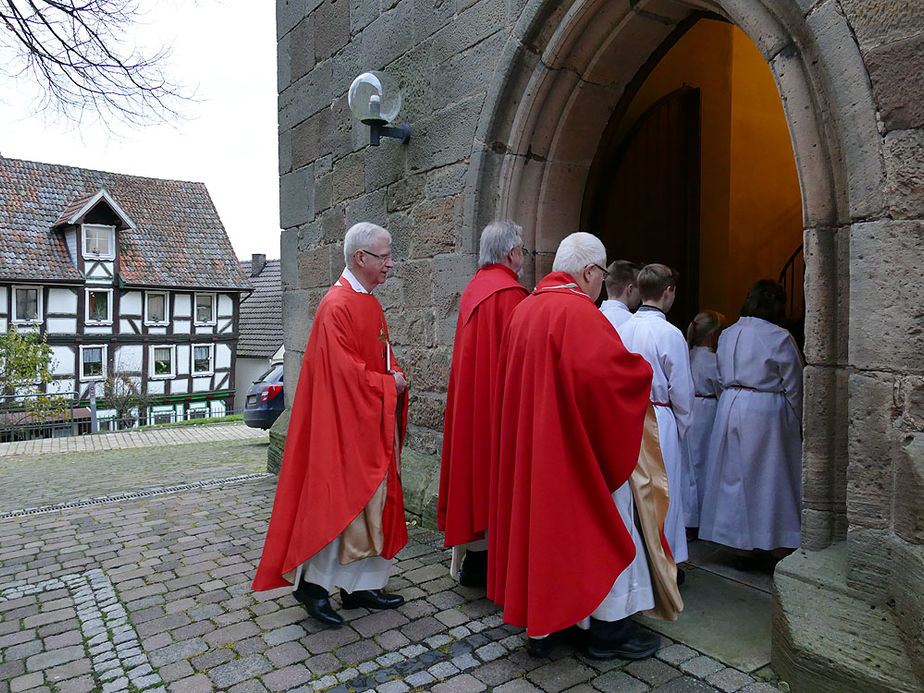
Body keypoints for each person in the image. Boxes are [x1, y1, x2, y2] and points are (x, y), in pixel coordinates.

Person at [488, 232, 661, 660]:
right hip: (572, 453)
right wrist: (641, 373)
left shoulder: (525, 309)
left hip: (536, 449)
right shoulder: (579, 313)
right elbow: (611, 380)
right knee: (598, 529)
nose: (601, 284)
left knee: (545, 536)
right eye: (601, 275)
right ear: (589, 272)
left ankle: (551, 625)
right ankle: (607, 629)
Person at [252, 222, 408, 626]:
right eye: (385, 256)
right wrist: (389, 385)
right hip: (339, 426)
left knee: (369, 500)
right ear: (361, 258)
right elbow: (344, 376)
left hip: (365, 421)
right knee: (337, 503)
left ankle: (360, 586)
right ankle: (313, 586)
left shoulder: (368, 302)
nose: (391, 264)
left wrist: (391, 379)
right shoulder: (336, 306)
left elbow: (376, 360)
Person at [438, 221, 529, 587]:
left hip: (472, 404)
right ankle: (492, 567)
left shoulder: (474, 288)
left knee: (475, 476)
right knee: (496, 480)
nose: (524, 254)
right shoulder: (511, 295)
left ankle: (474, 562)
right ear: (511, 253)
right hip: (498, 408)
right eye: (522, 248)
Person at [699, 280, 803, 565]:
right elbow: (794, 380)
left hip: (730, 403)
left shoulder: (729, 333)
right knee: (770, 479)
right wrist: (802, 417)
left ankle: (739, 544)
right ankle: (776, 543)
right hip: (765, 409)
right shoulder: (779, 336)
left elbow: (720, 375)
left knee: (734, 477)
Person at [617, 264, 694, 576]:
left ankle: (636, 560)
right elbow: (683, 392)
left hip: (627, 417)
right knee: (664, 494)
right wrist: (683, 429)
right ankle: (662, 564)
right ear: (668, 292)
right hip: (660, 418)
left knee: (632, 494)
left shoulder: (623, 329)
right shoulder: (670, 333)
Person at [681, 310, 726, 532]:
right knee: (705, 463)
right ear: (713, 334)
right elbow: (720, 385)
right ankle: (701, 516)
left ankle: (689, 515)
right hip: (708, 411)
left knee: (690, 464)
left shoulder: (687, 354)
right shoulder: (713, 359)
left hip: (690, 409)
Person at [600, 260, 642, 330]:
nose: (641, 296)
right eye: (640, 289)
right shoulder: (634, 323)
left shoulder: (591, 315)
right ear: (630, 289)